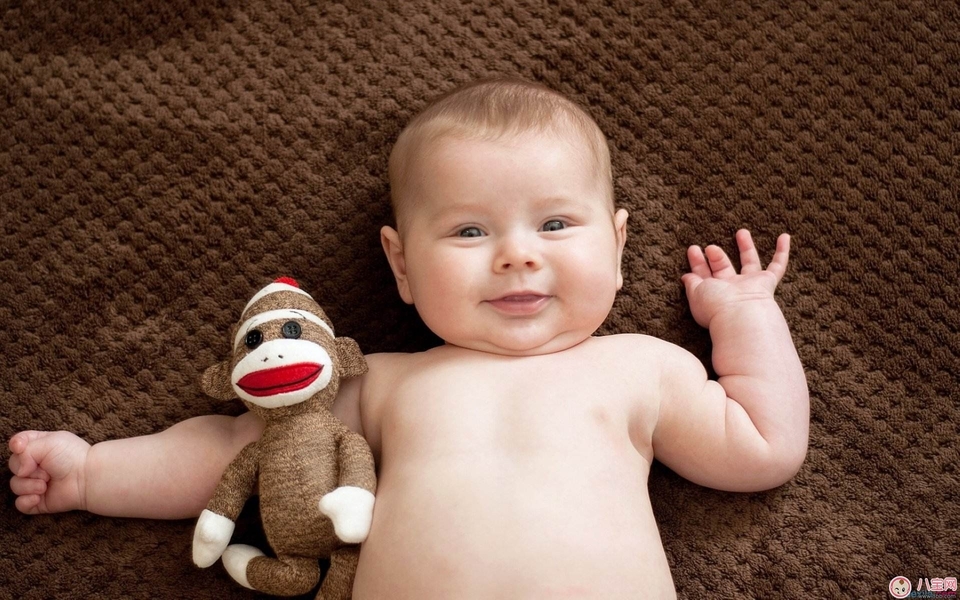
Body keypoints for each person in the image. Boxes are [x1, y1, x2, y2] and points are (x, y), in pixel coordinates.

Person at [8, 77, 809, 599]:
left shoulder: (641, 368)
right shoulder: (380, 382)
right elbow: (233, 449)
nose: (517, 253)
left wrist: (742, 317)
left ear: (619, 245)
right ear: (401, 265)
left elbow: (763, 446)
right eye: (468, 230)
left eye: (557, 223)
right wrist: (93, 472)